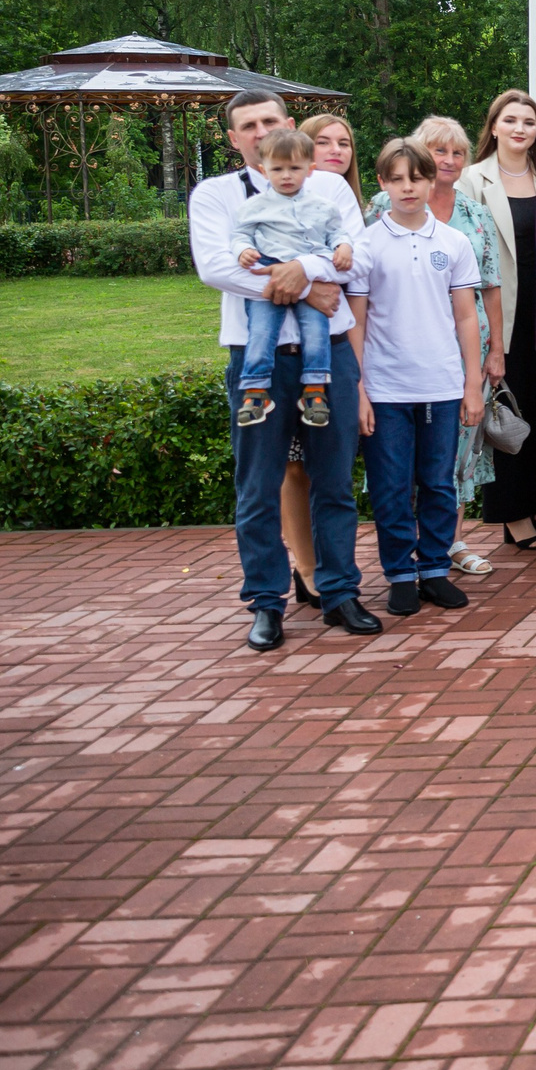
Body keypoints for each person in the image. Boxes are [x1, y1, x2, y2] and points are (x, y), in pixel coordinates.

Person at [194, 89, 375, 650]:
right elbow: (217, 266)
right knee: (257, 485)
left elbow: (360, 256)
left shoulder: (329, 186)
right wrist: (303, 285)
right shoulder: (216, 195)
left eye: (268, 120)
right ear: (233, 139)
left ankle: (340, 592)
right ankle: (266, 602)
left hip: (330, 358)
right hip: (258, 359)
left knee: (334, 482)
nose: (258, 131)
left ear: (289, 124)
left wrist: (306, 269)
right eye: (246, 126)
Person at [350, 137, 486, 616]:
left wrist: (472, 385)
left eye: (418, 177)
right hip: (386, 388)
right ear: (383, 183)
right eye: (397, 178)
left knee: (438, 484)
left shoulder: (453, 243)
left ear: (432, 181)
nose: (408, 187)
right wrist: (360, 389)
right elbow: (358, 321)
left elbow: (467, 317)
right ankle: (400, 574)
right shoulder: (366, 243)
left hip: (443, 385)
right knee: (389, 487)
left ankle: (433, 569)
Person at [369, 117, 505, 572]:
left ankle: (445, 551)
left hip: (457, 360)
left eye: (456, 153)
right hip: (391, 365)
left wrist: (490, 356)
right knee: (396, 472)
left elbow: (484, 295)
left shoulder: (469, 222)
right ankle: (402, 562)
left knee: (451, 463)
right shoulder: (373, 222)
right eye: (438, 152)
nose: (448, 161)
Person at [459, 89, 536, 557]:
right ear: (494, 126)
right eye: (511, 120)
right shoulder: (472, 180)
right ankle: (513, 514)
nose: (521, 129)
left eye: (530, 122)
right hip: (502, 313)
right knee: (506, 409)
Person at [277, 112, 365, 607]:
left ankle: (336, 574)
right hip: (279, 347)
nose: (335, 150)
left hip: (338, 345)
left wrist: (303, 276)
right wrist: (314, 280)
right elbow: (265, 266)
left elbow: (360, 266)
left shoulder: (351, 208)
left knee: (331, 468)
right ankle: (306, 569)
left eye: (344, 143)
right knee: (294, 466)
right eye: (323, 142)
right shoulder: (282, 203)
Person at [228, 126, 355, 430]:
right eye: (278, 169)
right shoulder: (255, 206)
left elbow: (338, 232)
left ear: (310, 170)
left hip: (311, 267)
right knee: (260, 331)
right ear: (263, 169)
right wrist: (243, 249)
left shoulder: (323, 206)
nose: (286, 175)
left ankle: (314, 389)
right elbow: (239, 234)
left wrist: (344, 246)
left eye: (295, 168)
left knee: (315, 330)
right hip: (269, 267)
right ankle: (255, 391)